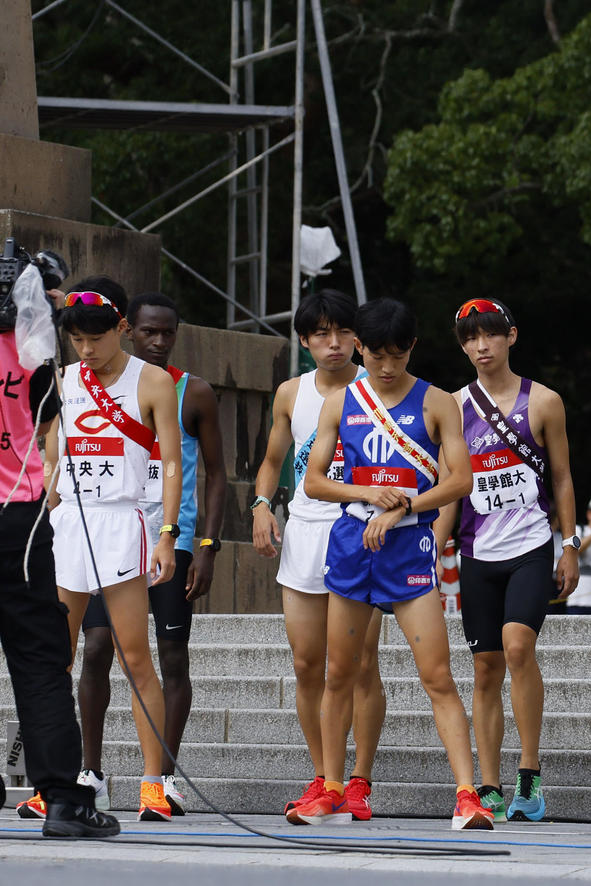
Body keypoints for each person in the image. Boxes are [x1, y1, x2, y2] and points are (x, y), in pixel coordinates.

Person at [296, 297, 492, 830]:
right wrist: (369, 492)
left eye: (398, 356)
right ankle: (332, 788)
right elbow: (313, 481)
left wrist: (403, 504)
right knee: (339, 673)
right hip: (353, 545)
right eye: (377, 355)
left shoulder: (437, 402)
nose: (386, 367)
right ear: (360, 346)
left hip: (409, 550)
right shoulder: (340, 401)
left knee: (438, 677)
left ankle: (468, 795)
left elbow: (460, 479)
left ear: (413, 348)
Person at [35, 275, 183, 823]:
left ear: (121, 326)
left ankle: (153, 783)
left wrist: (168, 533)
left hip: (125, 520)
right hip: (70, 521)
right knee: (57, 657)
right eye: (77, 339)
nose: (87, 349)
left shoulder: (153, 382)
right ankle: (54, 781)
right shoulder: (62, 379)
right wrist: (46, 513)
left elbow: (171, 462)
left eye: (96, 337)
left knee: (135, 656)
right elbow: (52, 451)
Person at [75, 293, 227, 816]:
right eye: (148, 332)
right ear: (128, 330)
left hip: (168, 542)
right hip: (102, 534)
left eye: (167, 333)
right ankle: (88, 772)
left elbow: (215, 475)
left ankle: (160, 777)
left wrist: (206, 545)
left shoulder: (192, 391)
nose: (158, 341)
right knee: (95, 649)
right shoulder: (81, 383)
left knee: (168, 658)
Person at [432, 296, 580, 822]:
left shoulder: (544, 402)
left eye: (490, 334)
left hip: (531, 546)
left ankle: (530, 772)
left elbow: (560, 476)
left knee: (518, 648)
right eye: (470, 338)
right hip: (478, 552)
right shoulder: (451, 406)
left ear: (510, 336)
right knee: (485, 666)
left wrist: (569, 543)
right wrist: (434, 549)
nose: (481, 346)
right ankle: (489, 784)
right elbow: (451, 489)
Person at [250, 290, 387, 822]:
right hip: (305, 531)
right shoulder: (291, 393)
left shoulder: (379, 387)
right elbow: (271, 460)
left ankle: (359, 780)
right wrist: (263, 505)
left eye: (343, 332)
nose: (335, 344)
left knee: (360, 666)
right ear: (304, 340)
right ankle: (324, 776)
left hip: (361, 531)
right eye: (321, 334)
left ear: (359, 336)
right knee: (308, 664)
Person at [1, 262, 119, 837]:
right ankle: (65, 802)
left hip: (20, 516)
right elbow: (49, 413)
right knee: (40, 658)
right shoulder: (33, 350)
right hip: (17, 517)